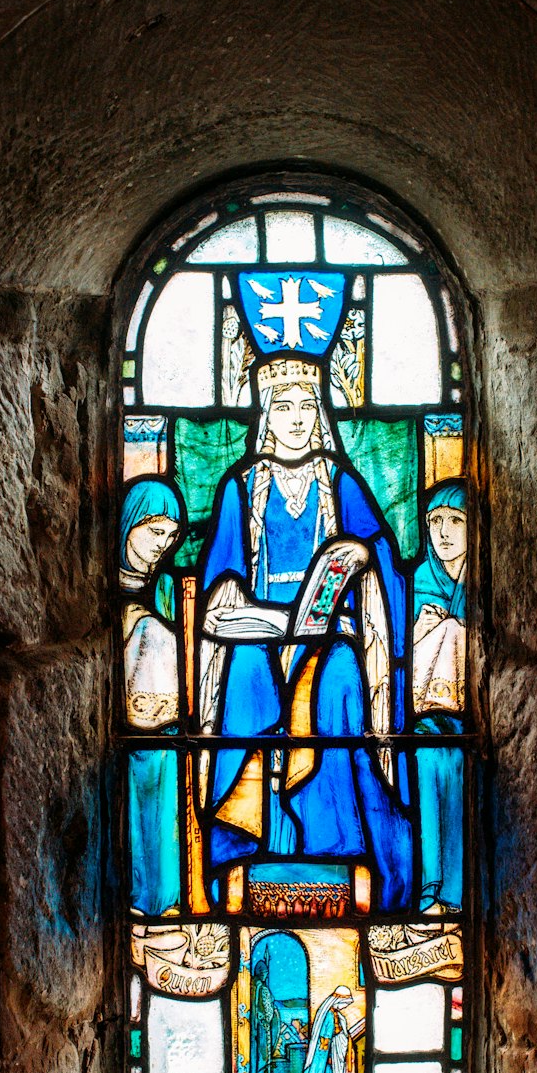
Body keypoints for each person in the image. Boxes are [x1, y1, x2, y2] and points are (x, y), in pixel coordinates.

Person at [197, 352, 412, 910]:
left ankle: (332, 847)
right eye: (283, 404)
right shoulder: (239, 491)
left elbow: (387, 564)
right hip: (257, 643)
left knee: (340, 672)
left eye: (307, 405)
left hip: (329, 644)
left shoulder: (341, 485)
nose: (296, 417)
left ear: (320, 413)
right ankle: (244, 855)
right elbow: (217, 604)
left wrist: (363, 554)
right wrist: (284, 623)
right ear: (266, 413)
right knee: (244, 676)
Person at [120, 478, 187, 917]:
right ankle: (137, 900)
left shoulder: (168, 587)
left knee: (164, 819)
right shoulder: (102, 583)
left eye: (169, 535)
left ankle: (165, 903)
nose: (161, 544)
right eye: (153, 530)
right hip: (125, 735)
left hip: (166, 732)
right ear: (127, 526)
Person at [412, 481, 467, 914]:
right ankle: (429, 889)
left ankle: (457, 894)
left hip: (469, 726)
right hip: (425, 723)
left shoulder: (484, 582)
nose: (443, 532)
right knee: (428, 769)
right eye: (435, 521)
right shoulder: (415, 584)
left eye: (456, 521)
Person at [278, 986, 355, 1073]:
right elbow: (324, 1039)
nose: (343, 1006)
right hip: (324, 1056)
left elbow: (338, 1035)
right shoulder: (329, 1016)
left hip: (330, 1055)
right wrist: (328, 1056)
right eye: (343, 1003)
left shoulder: (336, 1015)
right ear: (337, 1000)